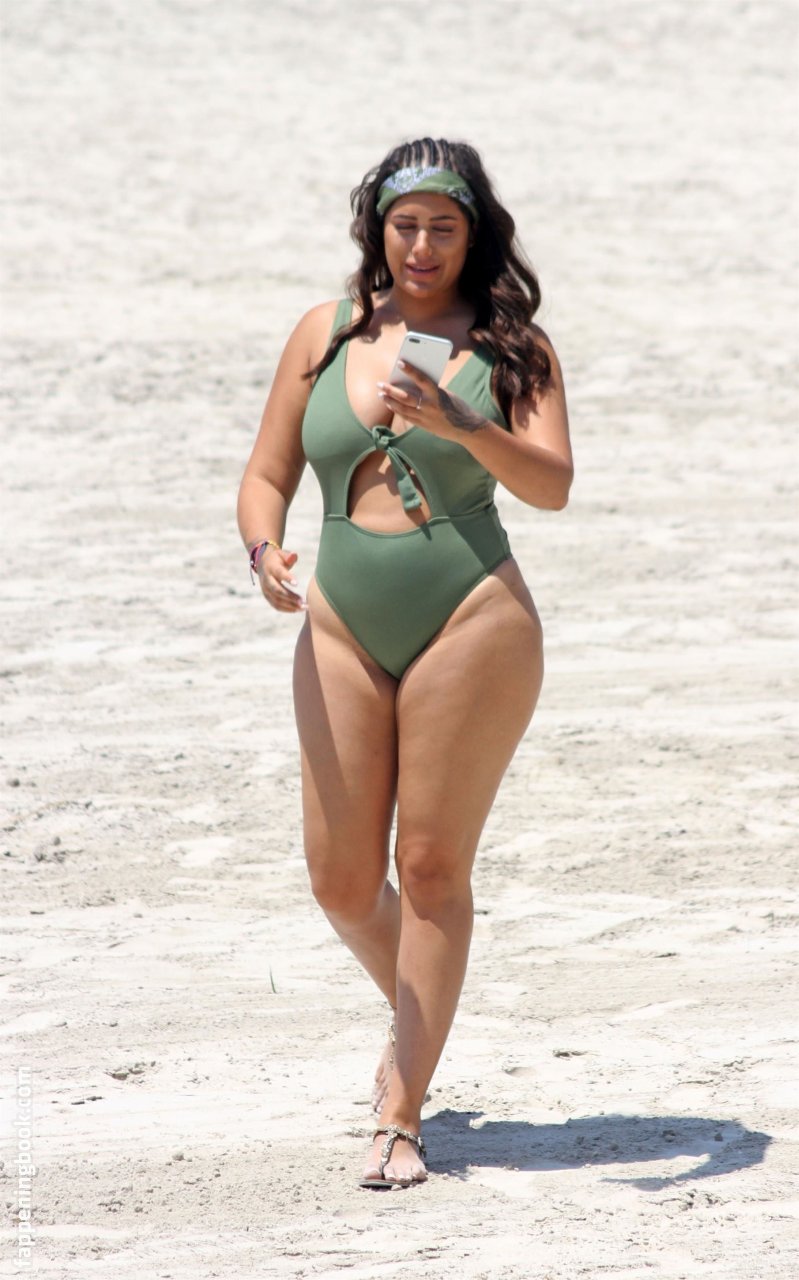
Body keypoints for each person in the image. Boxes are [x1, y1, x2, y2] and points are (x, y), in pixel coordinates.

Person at [237, 137, 573, 1190]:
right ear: (376, 230)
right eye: (405, 225)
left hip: (471, 614)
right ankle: (422, 1016)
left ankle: (402, 1110)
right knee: (342, 881)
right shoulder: (325, 332)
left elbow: (553, 485)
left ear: (474, 237)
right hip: (340, 617)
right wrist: (263, 549)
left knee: (428, 869)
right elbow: (265, 472)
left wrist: (465, 422)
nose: (422, 246)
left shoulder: (514, 348)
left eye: (443, 227)